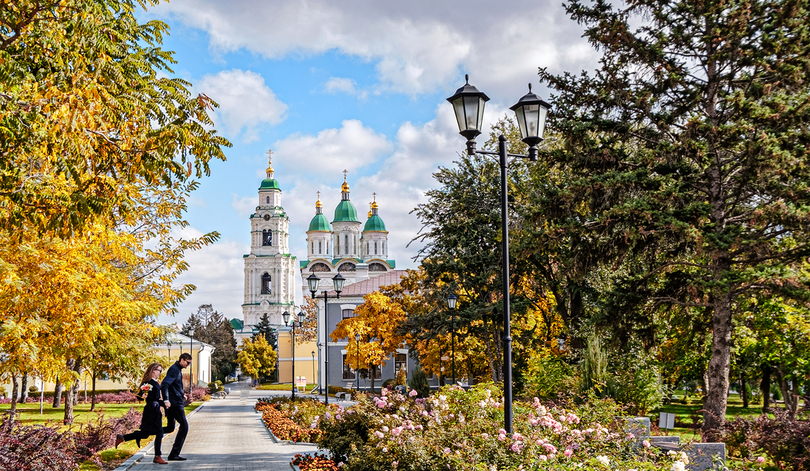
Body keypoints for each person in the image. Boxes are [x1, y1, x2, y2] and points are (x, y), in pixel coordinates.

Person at [115, 363, 169, 465]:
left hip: (153, 408)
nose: (160, 373)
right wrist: (147, 397)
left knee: (145, 434)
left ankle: (122, 438)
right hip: (152, 410)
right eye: (159, 370)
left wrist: (164, 403)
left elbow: (153, 398)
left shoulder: (153, 382)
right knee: (159, 432)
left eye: (160, 371)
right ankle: (157, 456)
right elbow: (141, 395)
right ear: (153, 370)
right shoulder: (149, 383)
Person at [161, 352, 192, 461]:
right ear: (182, 359)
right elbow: (164, 384)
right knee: (184, 426)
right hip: (174, 404)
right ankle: (174, 454)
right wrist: (166, 399)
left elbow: (173, 385)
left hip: (175, 401)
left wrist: (181, 393)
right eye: (187, 363)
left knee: (170, 428)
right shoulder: (174, 369)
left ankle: (147, 431)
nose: (188, 365)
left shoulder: (177, 369)